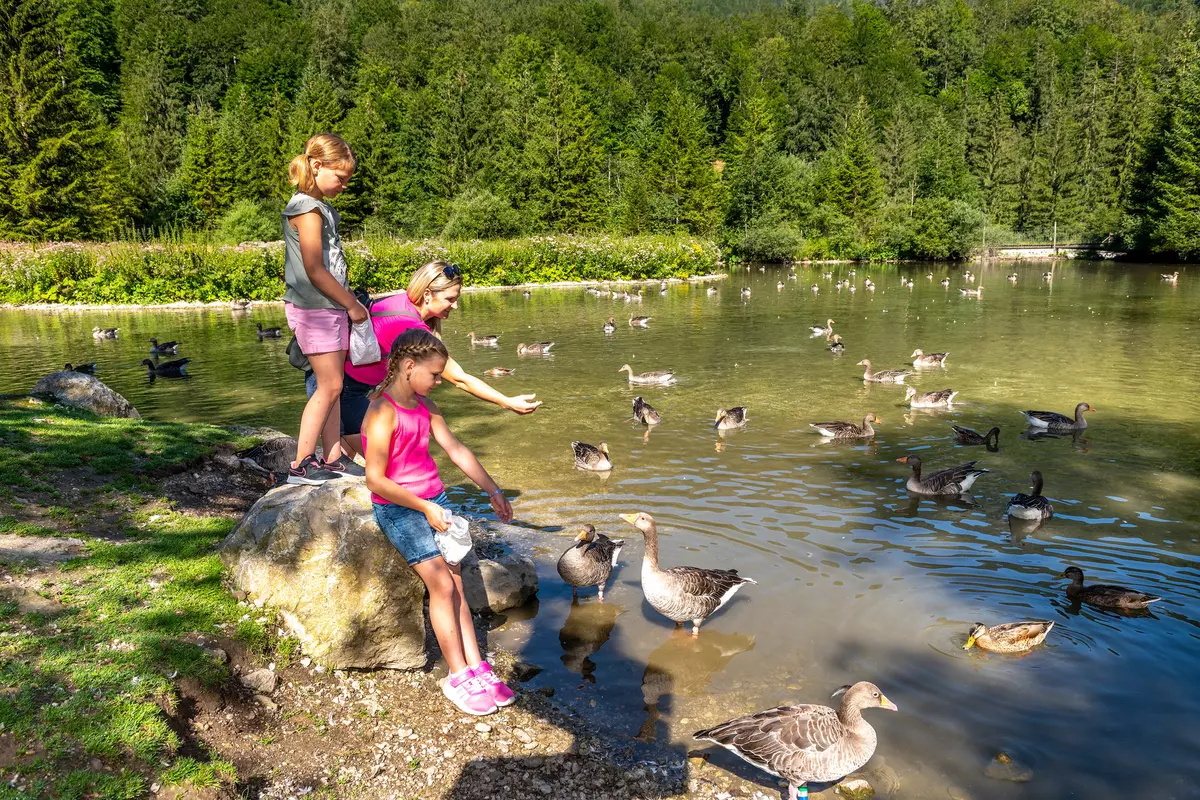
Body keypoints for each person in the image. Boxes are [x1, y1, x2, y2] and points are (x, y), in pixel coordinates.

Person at [363, 329, 515, 716]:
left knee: (458, 583)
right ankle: (457, 674)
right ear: (408, 366)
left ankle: (477, 664)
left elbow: (456, 449)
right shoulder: (382, 410)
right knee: (442, 585)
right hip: (399, 507)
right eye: (433, 374)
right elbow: (376, 480)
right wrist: (423, 507)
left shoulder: (426, 406)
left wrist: (493, 490)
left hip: (436, 501)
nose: (437, 382)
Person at [317, 259, 542, 459]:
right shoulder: (409, 326)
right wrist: (507, 402)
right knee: (394, 465)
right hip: (346, 392)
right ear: (427, 295)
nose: (455, 305)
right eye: (450, 299)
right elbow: (460, 379)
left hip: (348, 387)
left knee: (346, 457)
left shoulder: (400, 301)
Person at [282, 133, 369, 485]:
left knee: (334, 383)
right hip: (316, 308)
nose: (345, 185)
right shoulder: (306, 208)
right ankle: (302, 463)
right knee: (329, 386)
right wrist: (354, 305)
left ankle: (333, 458)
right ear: (317, 166)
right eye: (341, 177)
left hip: (330, 308)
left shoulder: (322, 208)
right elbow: (315, 269)